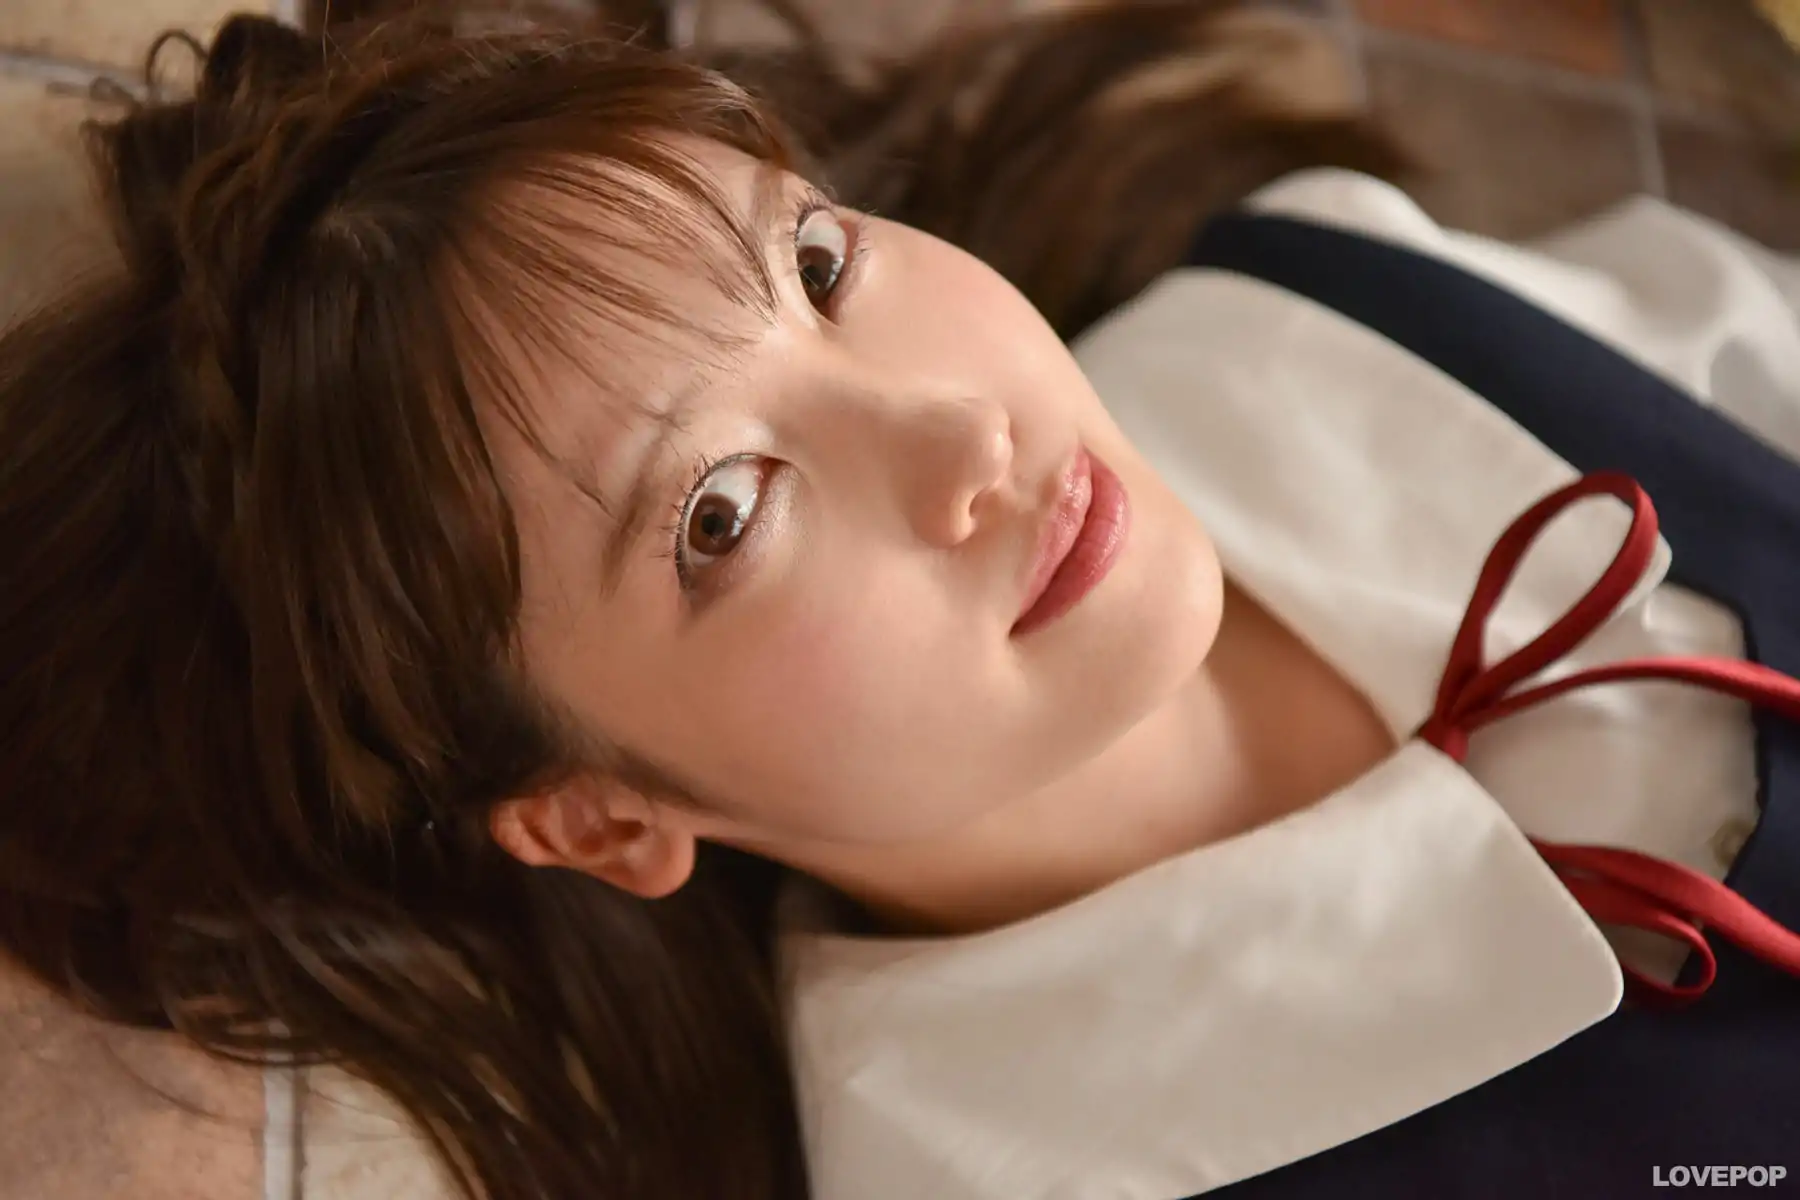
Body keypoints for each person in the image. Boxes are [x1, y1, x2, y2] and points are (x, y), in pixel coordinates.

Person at [2, 7, 1797, 1200]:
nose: (963, 436)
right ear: (604, 818)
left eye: (816, 263)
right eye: (720, 513)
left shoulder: (1315, 289)